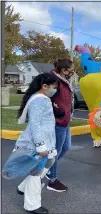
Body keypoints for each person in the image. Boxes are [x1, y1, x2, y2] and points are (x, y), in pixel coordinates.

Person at [15, 73, 58, 214]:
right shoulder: (39, 101)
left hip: (46, 140)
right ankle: (31, 205)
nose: (55, 90)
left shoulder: (43, 99)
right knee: (36, 172)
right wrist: (40, 146)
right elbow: (35, 125)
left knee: (50, 160)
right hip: (37, 142)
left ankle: (23, 187)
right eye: (54, 87)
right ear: (44, 86)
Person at [45, 59, 74, 192]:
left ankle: (47, 167)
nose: (72, 72)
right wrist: (57, 110)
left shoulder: (63, 81)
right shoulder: (54, 81)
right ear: (63, 70)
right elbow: (44, 97)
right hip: (58, 122)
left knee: (66, 147)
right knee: (55, 152)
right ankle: (52, 180)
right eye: (70, 70)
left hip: (65, 121)